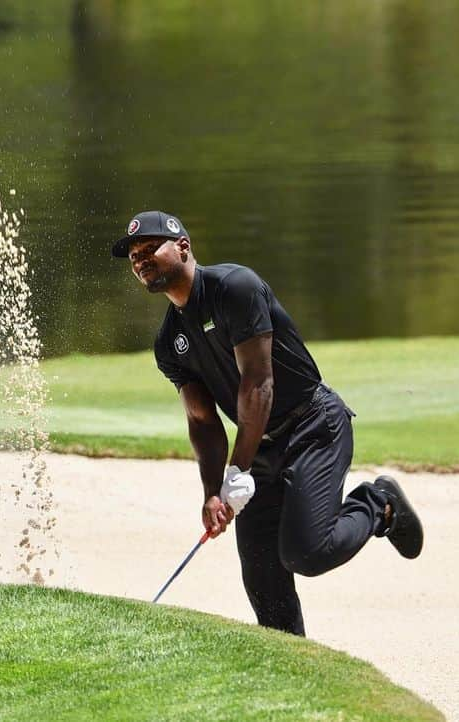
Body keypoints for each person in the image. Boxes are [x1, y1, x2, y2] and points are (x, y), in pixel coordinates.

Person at [113, 210, 424, 636]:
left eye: (151, 249)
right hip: (259, 449)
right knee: (263, 582)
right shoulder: (169, 343)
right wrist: (212, 494)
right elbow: (203, 421)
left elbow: (259, 385)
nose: (141, 260)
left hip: (313, 427)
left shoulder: (235, 288)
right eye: (134, 256)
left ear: (183, 246)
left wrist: (238, 469)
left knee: (306, 554)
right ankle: (295, 685)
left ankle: (378, 504)